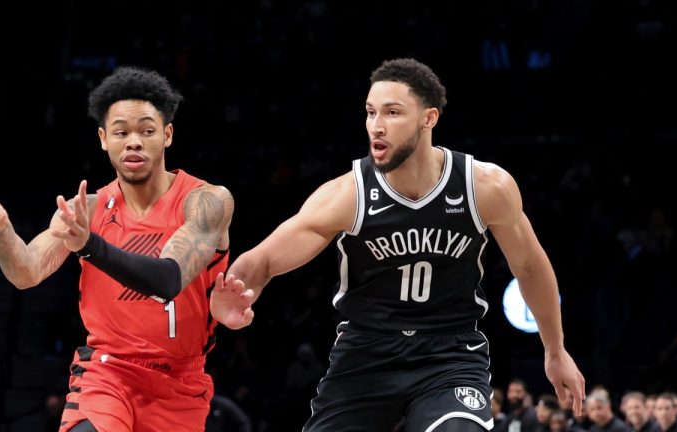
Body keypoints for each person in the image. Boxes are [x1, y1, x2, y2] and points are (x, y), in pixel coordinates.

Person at [211, 57, 584, 431]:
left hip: (449, 355)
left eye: (392, 113)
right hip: (365, 355)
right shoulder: (348, 195)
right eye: (371, 113)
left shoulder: (484, 186)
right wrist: (236, 289)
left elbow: (530, 267)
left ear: (429, 118)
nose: (377, 126)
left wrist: (555, 350)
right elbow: (265, 259)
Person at [0, 66, 234, 432]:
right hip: (108, 374)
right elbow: (26, 272)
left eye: (147, 130)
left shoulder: (206, 200)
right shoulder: (88, 210)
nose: (134, 141)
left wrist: (90, 246)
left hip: (180, 386)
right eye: (121, 132)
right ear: (104, 139)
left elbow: (168, 278)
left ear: (168, 135)